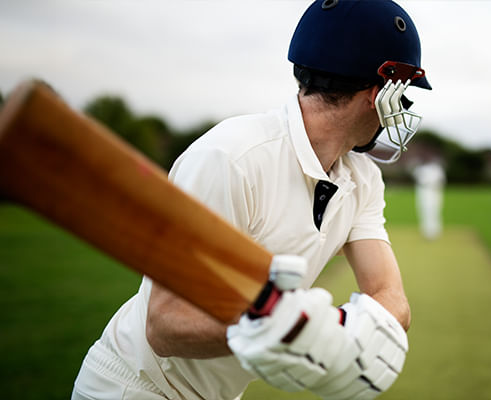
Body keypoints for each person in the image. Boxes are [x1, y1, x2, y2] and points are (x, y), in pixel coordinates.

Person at [71, 1, 431, 399]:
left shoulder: (363, 178)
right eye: (404, 96)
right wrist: (283, 329)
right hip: (135, 386)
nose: (402, 110)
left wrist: (336, 330)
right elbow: (165, 326)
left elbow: (391, 297)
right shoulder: (230, 157)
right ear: (380, 93)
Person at [413, 160, 446, 240]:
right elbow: (416, 177)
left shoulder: (437, 169)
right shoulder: (421, 168)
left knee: (434, 211)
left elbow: (442, 181)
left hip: (434, 191)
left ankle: (434, 231)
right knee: (423, 210)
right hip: (423, 191)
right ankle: (426, 231)